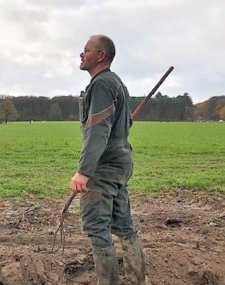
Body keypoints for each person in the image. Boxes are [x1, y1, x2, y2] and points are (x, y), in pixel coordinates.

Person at [70, 34, 148, 285]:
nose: (81, 54)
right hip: (121, 163)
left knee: (97, 228)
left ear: (101, 56)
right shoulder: (117, 83)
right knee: (124, 226)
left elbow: (97, 130)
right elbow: (122, 124)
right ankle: (138, 280)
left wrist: (84, 171)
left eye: (86, 50)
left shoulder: (102, 84)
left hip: (103, 168)